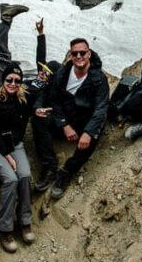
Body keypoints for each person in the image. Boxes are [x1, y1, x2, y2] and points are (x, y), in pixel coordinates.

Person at [32, 38, 109, 200]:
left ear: (89, 53)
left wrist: (88, 132)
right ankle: (49, 165)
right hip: (64, 119)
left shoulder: (99, 79)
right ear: (71, 55)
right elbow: (54, 100)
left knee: (96, 130)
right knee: (39, 117)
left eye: (82, 52)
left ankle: (67, 171)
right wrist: (64, 124)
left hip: (83, 121)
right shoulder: (62, 73)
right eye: (75, 53)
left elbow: (101, 109)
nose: (79, 56)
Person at [0, 65, 35, 253]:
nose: (13, 84)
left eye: (17, 81)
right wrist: (7, 155)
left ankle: (25, 221)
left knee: (25, 176)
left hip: (16, 144)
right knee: (10, 179)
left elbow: (25, 120)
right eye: (9, 80)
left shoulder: (23, 99)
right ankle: (4, 228)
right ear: (3, 81)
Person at [0, 3, 31, 93]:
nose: (13, 84)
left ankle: (6, 18)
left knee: (4, 59)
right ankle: (6, 18)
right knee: (4, 59)